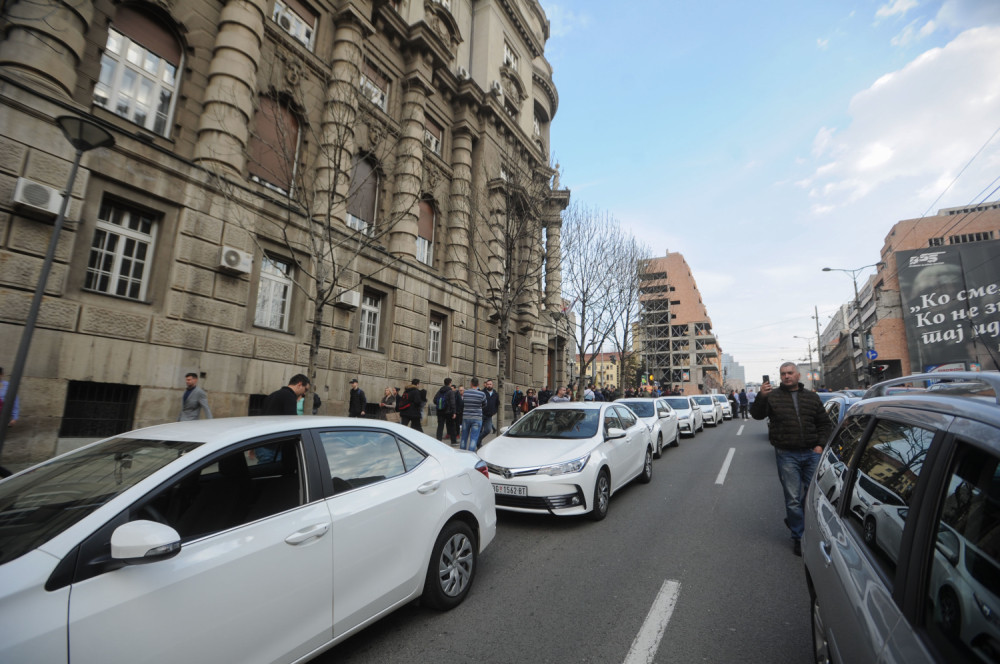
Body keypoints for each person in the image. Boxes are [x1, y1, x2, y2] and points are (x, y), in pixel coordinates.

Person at [750, 362, 831, 556]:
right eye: (783, 374)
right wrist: (762, 396)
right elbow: (756, 415)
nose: (786, 376)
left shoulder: (811, 397)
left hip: (812, 452)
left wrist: (820, 445)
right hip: (787, 454)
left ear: (798, 375)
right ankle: (798, 536)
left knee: (813, 495)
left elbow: (824, 424)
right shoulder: (773, 396)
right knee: (793, 498)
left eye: (790, 373)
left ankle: (796, 519)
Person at [259, 374, 310, 463]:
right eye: (305, 389)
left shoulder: (272, 395)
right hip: (274, 445)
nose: (304, 393)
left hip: (262, 442)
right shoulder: (289, 397)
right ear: (299, 384)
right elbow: (292, 423)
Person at [460, 378, 486, 451]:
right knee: (474, 438)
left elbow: (463, 402)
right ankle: (470, 454)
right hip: (477, 418)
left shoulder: (465, 393)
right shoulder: (482, 394)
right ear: (478, 384)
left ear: (471, 383)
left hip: (466, 417)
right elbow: (484, 404)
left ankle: (462, 452)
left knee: (464, 437)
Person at [434, 378, 458, 445]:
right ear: (450, 383)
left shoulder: (440, 391)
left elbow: (434, 400)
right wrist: (454, 412)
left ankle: (438, 441)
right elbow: (453, 402)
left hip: (440, 411)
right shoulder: (450, 391)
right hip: (448, 412)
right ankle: (453, 441)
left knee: (440, 426)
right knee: (452, 426)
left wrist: (440, 405)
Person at [478, 379, 500, 446]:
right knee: (480, 430)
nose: (489, 385)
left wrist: (494, 411)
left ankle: (477, 440)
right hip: (481, 414)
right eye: (488, 384)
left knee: (487, 430)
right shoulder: (482, 392)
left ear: (492, 385)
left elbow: (497, 404)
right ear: (486, 385)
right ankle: (479, 444)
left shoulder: (495, 394)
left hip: (489, 416)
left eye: (490, 384)